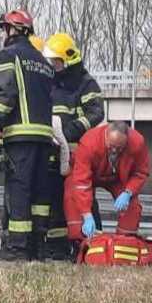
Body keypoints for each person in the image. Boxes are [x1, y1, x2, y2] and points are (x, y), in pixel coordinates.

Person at [0, 9, 55, 262]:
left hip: (20, 136)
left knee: (19, 191)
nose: (3, 35)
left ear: (13, 30)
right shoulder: (43, 62)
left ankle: (17, 248)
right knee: (40, 194)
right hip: (44, 137)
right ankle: (37, 247)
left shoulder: (9, 55)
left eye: (4, 29)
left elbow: (6, 95)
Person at [42, 33, 103, 261]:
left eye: (57, 61)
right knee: (56, 200)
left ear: (68, 59)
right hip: (56, 152)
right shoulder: (52, 83)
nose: (54, 66)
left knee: (83, 199)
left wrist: (72, 130)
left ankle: (92, 245)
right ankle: (58, 247)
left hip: (79, 154)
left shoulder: (85, 83)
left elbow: (96, 112)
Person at [64, 121, 150, 244]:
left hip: (118, 178)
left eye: (119, 148)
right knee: (72, 192)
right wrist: (86, 214)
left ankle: (124, 242)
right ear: (106, 136)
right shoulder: (89, 143)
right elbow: (81, 183)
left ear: (127, 141)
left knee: (133, 206)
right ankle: (78, 243)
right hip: (90, 175)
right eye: (111, 146)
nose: (114, 151)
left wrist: (128, 191)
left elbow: (140, 173)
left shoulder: (137, 143)